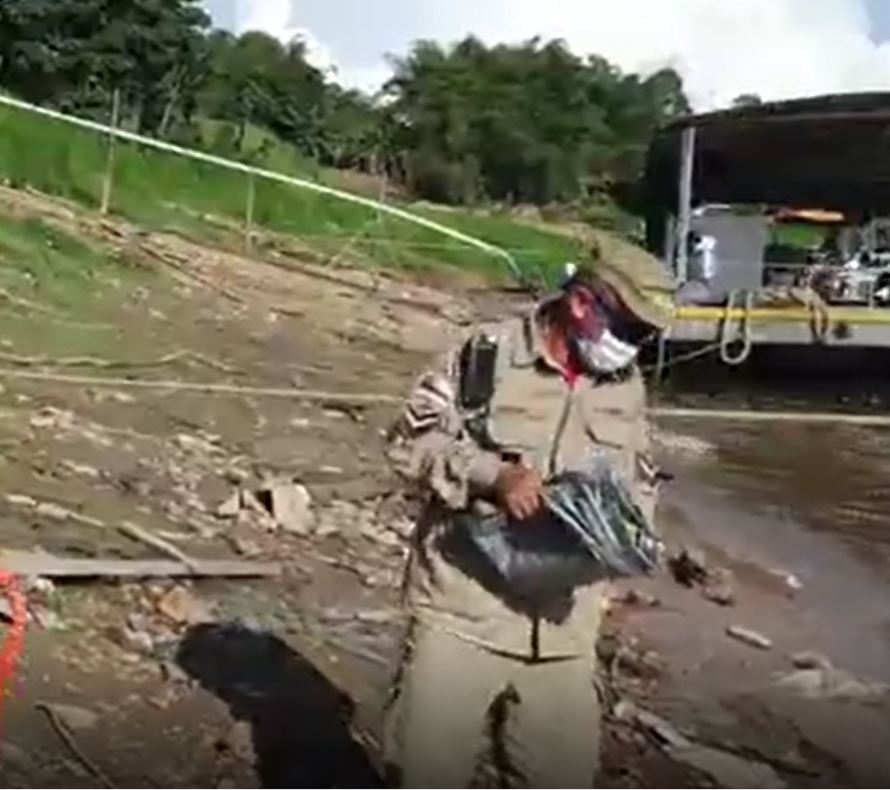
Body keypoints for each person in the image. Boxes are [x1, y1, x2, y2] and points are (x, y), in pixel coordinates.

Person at [383, 245, 669, 788]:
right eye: (630, 329)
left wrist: (633, 533)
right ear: (582, 304)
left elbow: (640, 475)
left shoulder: (625, 383)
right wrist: (493, 476)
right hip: (463, 615)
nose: (635, 346)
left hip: (567, 632)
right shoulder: (481, 355)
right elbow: (409, 444)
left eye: (647, 337)